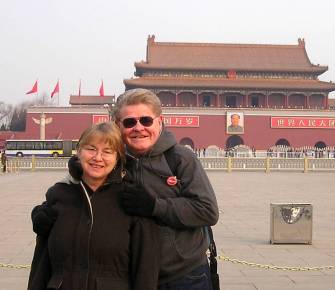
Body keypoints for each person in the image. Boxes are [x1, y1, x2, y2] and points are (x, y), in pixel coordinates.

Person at [32, 89, 219, 290]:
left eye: (146, 120)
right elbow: (75, 191)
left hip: (182, 276)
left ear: (160, 121)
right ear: (118, 126)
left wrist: (155, 206)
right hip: (131, 276)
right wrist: (41, 213)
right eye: (130, 122)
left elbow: (207, 210)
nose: (138, 128)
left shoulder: (180, 159)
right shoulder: (112, 160)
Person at [28, 122, 160, 290]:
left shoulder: (134, 200)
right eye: (91, 149)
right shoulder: (59, 195)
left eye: (107, 151)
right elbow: (41, 264)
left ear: (118, 157)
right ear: (79, 151)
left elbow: (146, 271)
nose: (98, 157)